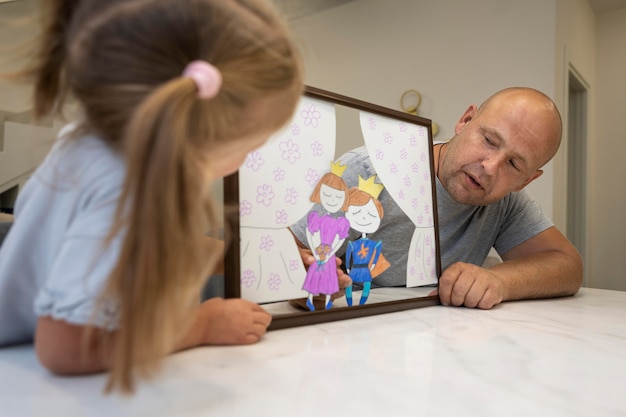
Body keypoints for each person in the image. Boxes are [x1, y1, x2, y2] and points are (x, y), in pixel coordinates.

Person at [0, 0, 303, 394]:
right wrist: (200, 325)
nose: (247, 158)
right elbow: (64, 349)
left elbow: (140, 246)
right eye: (248, 146)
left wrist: (256, 256)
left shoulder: (93, 145)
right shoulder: (123, 193)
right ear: (192, 130)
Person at [291, 87, 583, 309]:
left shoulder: (506, 202)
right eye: (489, 140)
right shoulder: (368, 171)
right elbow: (292, 254)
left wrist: (498, 280)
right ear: (465, 121)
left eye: (515, 165)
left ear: (526, 180)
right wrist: (307, 281)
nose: (490, 168)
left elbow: (568, 265)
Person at [301, 162, 350, 311]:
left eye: (337, 197)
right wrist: (317, 251)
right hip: (320, 252)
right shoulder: (316, 218)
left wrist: (329, 250)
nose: (332, 200)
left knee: (328, 281)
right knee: (314, 280)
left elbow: (338, 240)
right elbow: (311, 235)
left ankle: (327, 300)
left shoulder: (341, 222)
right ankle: (311, 299)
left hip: (328, 253)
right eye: (327, 195)